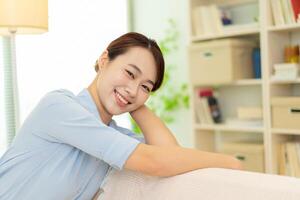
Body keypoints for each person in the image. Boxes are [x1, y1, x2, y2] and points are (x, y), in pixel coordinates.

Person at [0, 32, 242, 200]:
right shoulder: (59, 106)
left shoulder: (112, 135)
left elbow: (170, 154)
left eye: (147, 87)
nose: (134, 89)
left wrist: (135, 102)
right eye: (129, 73)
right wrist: (229, 162)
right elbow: (155, 162)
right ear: (104, 59)